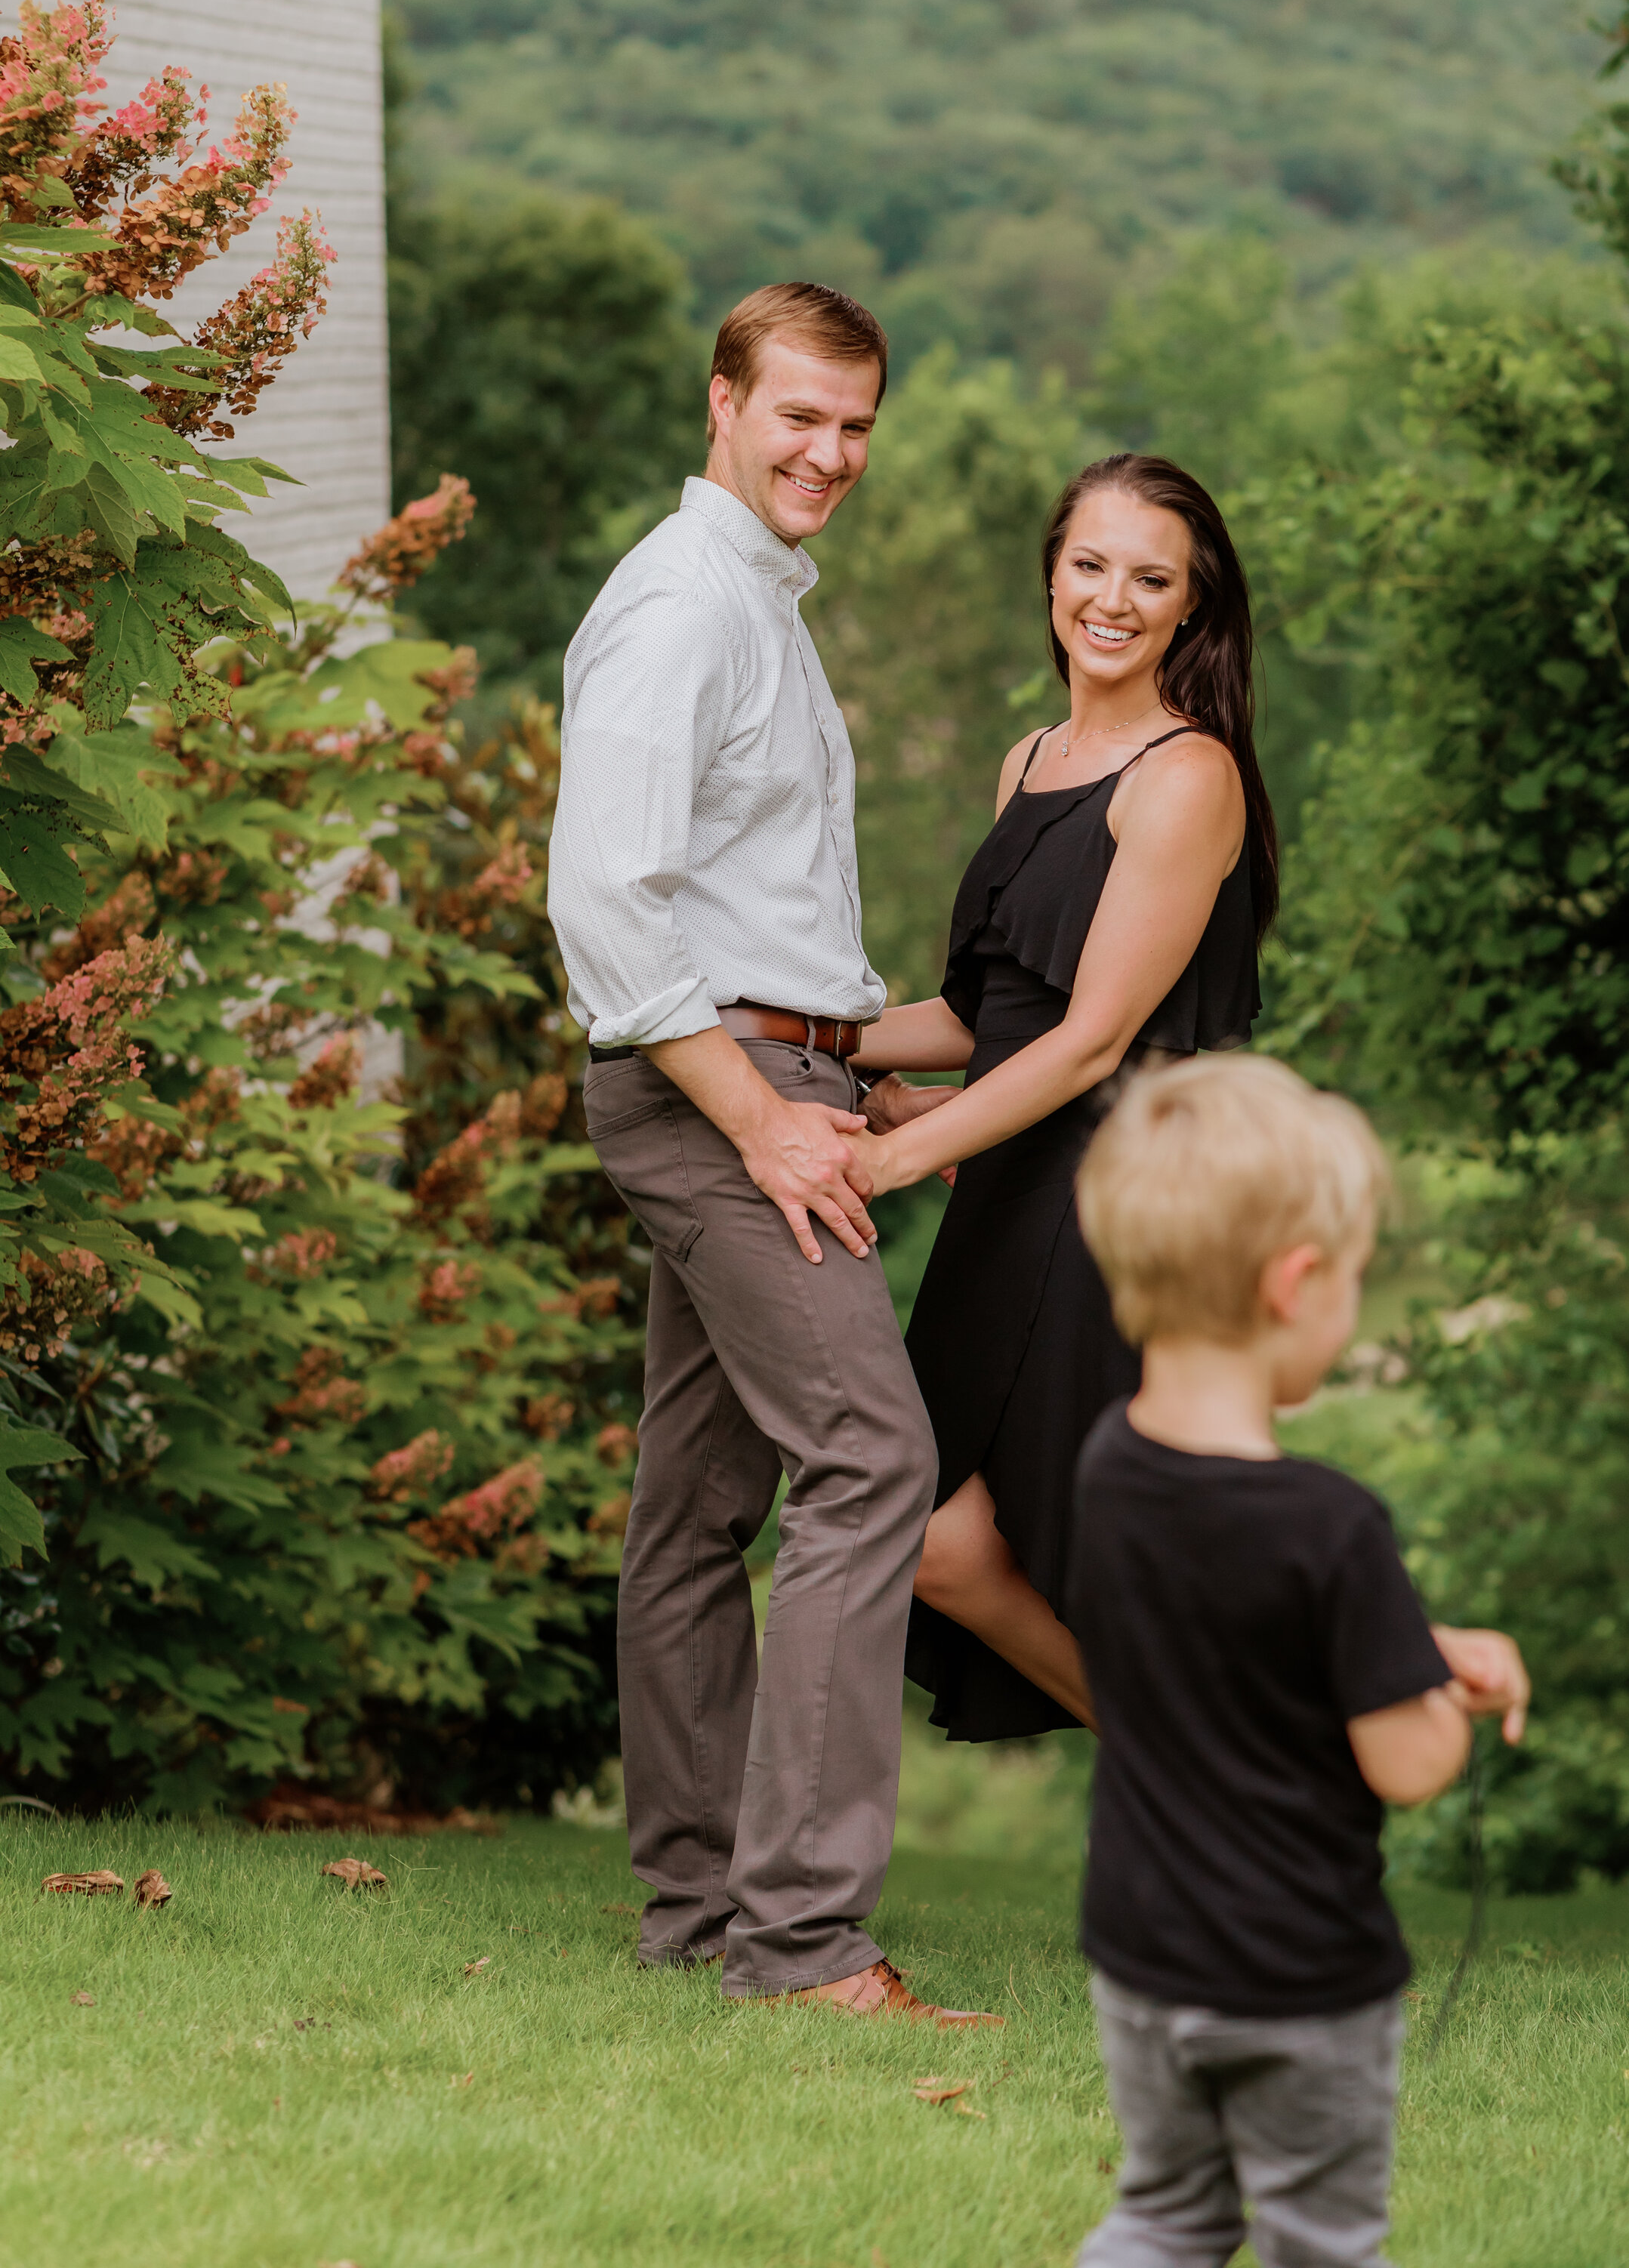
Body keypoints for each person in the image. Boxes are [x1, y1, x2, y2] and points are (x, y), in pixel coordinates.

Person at [546, 280, 995, 2027]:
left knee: (698, 1507)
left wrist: (837, 1078)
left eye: (856, 423)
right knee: (873, 1460)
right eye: (799, 413)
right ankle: (800, 1946)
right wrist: (761, 1114)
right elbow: (607, 901)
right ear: (720, 399)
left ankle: (693, 1917)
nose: (830, 452)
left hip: (758, 1076)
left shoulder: (756, 605)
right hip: (706, 1094)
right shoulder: (680, 609)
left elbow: (751, 908)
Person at [1066, 1054, 1530, 2268]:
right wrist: (1445, 1701)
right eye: (1357, 1282)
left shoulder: (1109, 1467)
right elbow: (1410, 1762)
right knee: (1322, 2240)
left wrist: (1406, 1648)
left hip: (1142, 1952)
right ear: (1296, 1283)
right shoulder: (1332, 1524)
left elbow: (1230, 1632)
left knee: (1165, 2217)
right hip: (1298, 1978)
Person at [844, 453, 1278, 1738]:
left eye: (1153, 578)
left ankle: (1228, 1785)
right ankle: (1205, 1782)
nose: (1114, 599)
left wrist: (893, 1160)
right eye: (1091, 565)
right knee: (944, 1537)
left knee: (994, 1541)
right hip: (1014, 1194)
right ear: (1051, 575)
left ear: (1191, 607)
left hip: (1102, 1208)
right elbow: (987, 1016)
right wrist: (814, 1039)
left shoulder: (1188, 776)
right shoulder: (1029, 757)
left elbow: (1091, 1042)